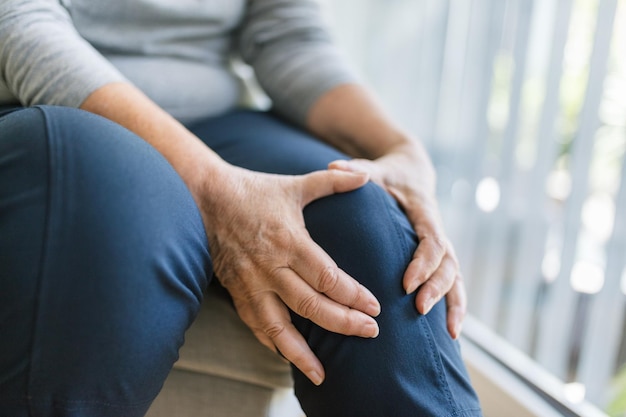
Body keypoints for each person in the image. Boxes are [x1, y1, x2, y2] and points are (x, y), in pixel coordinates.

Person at [0, 0, 483, 416]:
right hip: (39, 103)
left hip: (218, 116)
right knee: (112, 207)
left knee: (362, 217)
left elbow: (286, 34)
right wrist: (214, 190)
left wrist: (400, 150)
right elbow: (18, 22)